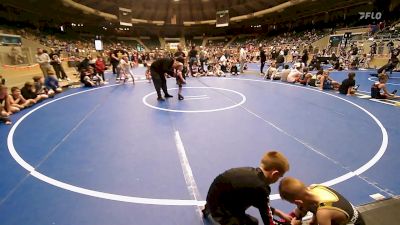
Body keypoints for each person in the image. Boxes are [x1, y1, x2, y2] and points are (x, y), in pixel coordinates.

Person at [203, 151, 291, 225]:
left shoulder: (249, 172)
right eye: (280, 176)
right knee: (253, 223)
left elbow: (261, 203)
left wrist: (278, 213)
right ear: (274, 174)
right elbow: (269, 222)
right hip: (221, 215)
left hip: (211, 203)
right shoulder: (262, 188)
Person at [279, 177, 365, 225]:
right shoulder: (314, 187)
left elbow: (319, 210)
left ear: (298, 202)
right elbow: (308, 208)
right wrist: (314, 220)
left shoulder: (323, 213)